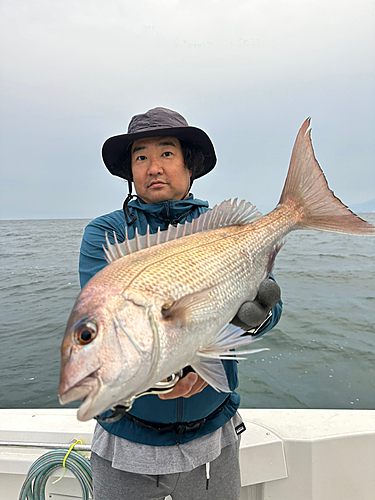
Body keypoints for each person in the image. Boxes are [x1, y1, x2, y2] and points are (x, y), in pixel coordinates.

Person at [79, 107, 283, 500]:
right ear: (131, 172)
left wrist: (256, 318)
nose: (153, 167)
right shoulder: (106, 235)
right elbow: (109, 322)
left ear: (190, 166)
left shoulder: (225, 230)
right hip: (127, 444)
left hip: (212, 438)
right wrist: (179, 367)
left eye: (167, 153)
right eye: (141, 157)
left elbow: (268, 305)